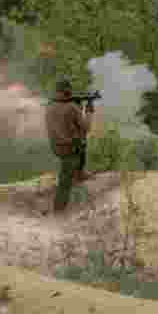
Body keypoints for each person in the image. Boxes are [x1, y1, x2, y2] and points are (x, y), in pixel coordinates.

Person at [45, 78, 93, 213]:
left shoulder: (50, 106)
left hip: (56, 147)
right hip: (70, 150)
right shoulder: (72, 107)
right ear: (67, 92)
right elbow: (86, 128)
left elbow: (64, 123)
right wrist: (88, 110)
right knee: (64, 182)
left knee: (79, 143)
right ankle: (58, 212)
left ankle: (79, 172)